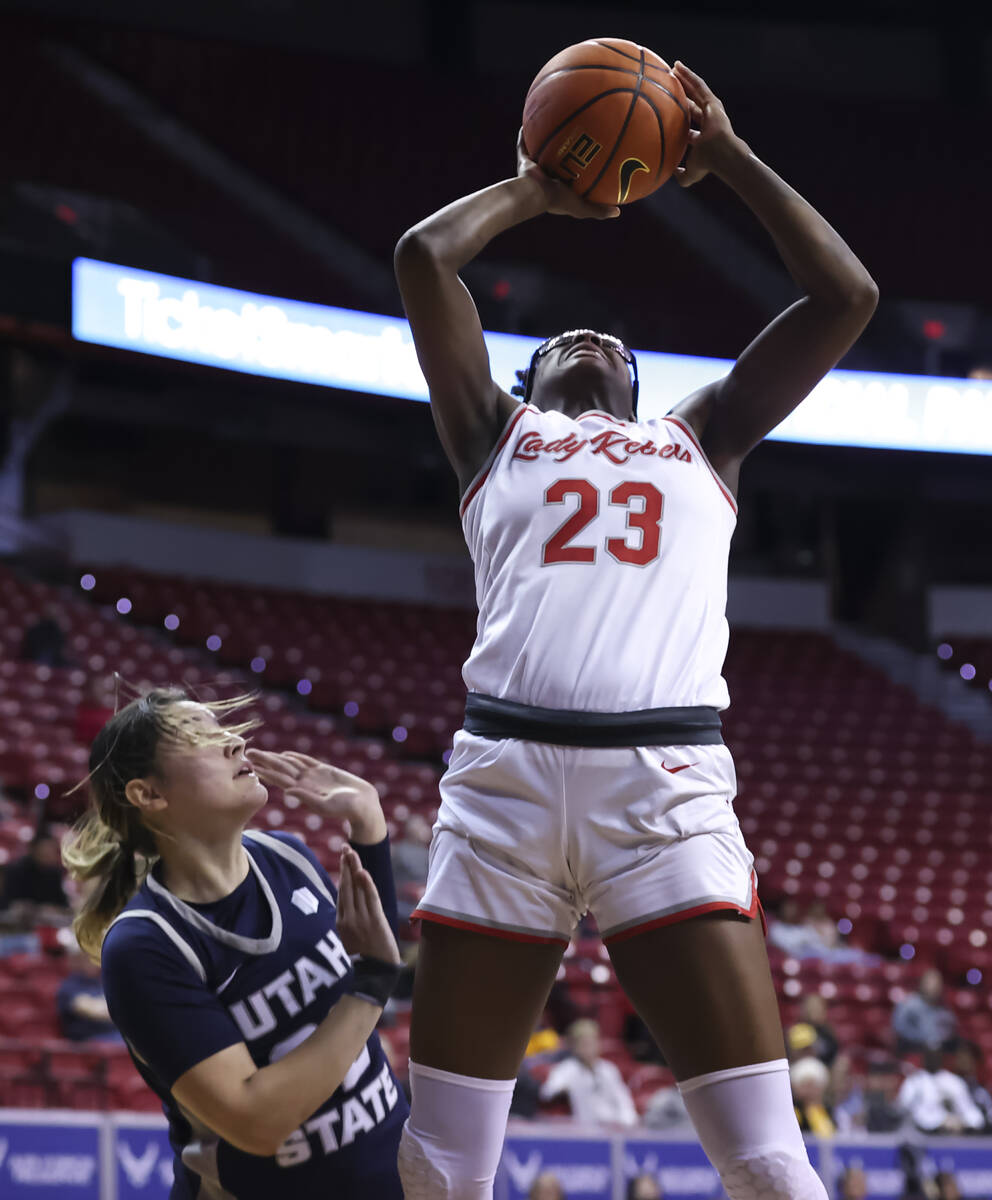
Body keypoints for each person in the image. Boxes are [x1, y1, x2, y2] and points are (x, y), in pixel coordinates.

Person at [394, 56, 876, 1200]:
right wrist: (536, 190)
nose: (589, 336)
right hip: (502, 783)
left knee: (761, 1154)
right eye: (564, 336)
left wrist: (726, 163)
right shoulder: (487, 433)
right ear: (531, 373)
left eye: (609, 338)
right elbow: (424, 257)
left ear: (639, 385)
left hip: (661, 787)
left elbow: (843, 298)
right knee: (444, 1161)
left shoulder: (700, 437)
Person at [60, 688, 407, 1199]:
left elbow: (374, 954)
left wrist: (368, 825)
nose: (234, 744)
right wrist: (372, 984)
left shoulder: (288, 855)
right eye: (202, 737)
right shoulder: (145, 945)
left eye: (224, 731)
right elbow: (256, 1122)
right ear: (148, 795)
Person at [538, 1018, 638, 1126]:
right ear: (575, 1046)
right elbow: (547, 1092)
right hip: (583, 1128)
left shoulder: (608, 1069)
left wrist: (627, 1122)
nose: (588, 1048)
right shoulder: (567, 1069)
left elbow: (623, 1100)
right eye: (583, 1044)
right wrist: (563, 1089)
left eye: (591, 1043)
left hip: (612, 1125)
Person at [897, 1049, 986, 1135]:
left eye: (935, 1054)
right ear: (924, 1057)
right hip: (922, 1133)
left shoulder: (953, 1081)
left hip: (953, 1132)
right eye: (929, 1055)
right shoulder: (914, 1081)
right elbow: (903, 1109)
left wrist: (969, 1123)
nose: (932, 1058)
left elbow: (968, 1109)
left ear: (940, 1056)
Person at [1, 828, 71, 928]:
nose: (47, 855)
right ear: (33, 850)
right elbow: (6, 903)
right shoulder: (15, 870)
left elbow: (64, 906)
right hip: (18, 926)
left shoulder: (54, 873)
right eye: (43, 851)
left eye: (50, 851)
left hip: (48, 925)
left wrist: (51, 909)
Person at [56, 936, 122, 1042]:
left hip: (115, 1036)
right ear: (73, 960)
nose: (94, 961)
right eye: (88, 957)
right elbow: (93, 1011)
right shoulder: (69, 987)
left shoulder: (103, 982)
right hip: (89, 1043)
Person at [892, 969, 958, 1053]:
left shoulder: (945, 1009)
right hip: (911, 1050)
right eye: (930, 983)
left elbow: (950, 1033)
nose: (933, 987)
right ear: (922, 984)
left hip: (937, 1054)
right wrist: (921, 1041)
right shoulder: (908, 1005)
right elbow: (899, 1030)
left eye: (937, 984)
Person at [787, 994, 840, 1067]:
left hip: (825, 1068)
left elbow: (833, 1055)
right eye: (811, 1007)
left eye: (817, 1007)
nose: (814, 1010)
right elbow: (792, 1056)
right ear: (804, 1009)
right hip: (803, 1066)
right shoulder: (798, 1030)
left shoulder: (828, 1031)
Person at [791, 1057, 835, 1136]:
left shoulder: (829, 1111)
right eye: (805, 1085)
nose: (810, 1090)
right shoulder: (793, 1113)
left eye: (814, 1084)